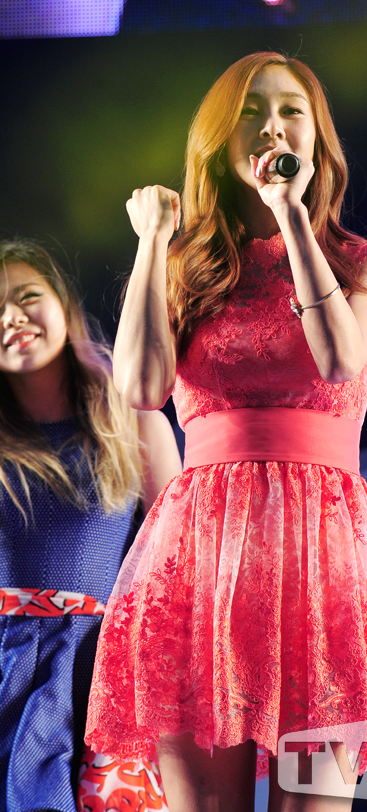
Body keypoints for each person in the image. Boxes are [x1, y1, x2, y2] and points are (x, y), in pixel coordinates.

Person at [85, 51, 367, 812]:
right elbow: (139, 389)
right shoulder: (184, 268)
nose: (271, 126)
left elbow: (339, 359)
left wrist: (291, 215)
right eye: (251, 113)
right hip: (203, 552)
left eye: (291, 110)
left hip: (323, 555)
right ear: (219, 142)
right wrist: (152, 244)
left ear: (317, 139)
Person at [0, 239, 182, 812]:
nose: (11, 317)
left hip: (97, 677)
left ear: (64, 305)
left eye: (27, 296)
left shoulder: (134, 420)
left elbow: (180, 567)